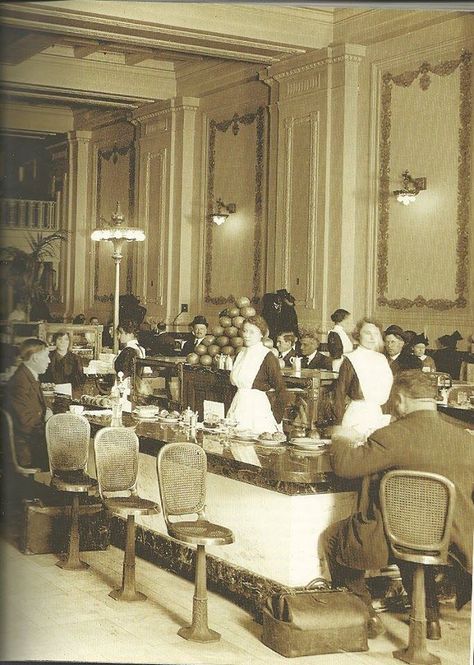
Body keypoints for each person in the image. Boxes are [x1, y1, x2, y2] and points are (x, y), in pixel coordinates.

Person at [323, 370, 473, 640]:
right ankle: (430, 618)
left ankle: (364, 616)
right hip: (455, 539)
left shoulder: (392, 435)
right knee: (417, 545)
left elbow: (346, 466)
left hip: (401, 535)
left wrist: (341, 437)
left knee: (334, 538)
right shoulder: (465, 439)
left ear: (401, 400)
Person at [226, 315, 288, 434]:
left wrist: (275, 418)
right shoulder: (240, 354)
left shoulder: (267, 356)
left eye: (252, 332)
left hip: (257, 410)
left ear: (261, 334)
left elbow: (281, 389)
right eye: (244, 331)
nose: (246, 335)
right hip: (237, 405)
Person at [333, 318, 393, 438]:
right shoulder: (351, 359)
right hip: (356, 416)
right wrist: (338, 424)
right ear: (358, 334)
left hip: (377, 415)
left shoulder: (382, 359)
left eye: (375, 334)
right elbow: (339, 394)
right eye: (367, 333)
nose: (372, 337)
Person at [4, 338, 52, 470]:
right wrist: (50, 426)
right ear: (35, 358)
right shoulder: (20, 383)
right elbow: (26, 424)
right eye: (46, 356)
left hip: (32, 443)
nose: (49, 361)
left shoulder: (28, 376)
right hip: (28, 451)